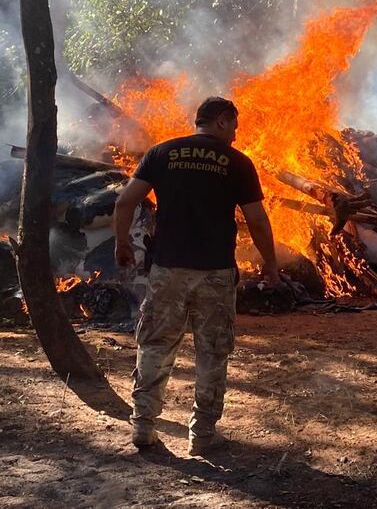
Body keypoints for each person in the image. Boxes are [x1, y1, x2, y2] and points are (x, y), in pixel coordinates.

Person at [113, 96, 279, 456]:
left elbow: (124, 202)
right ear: (222, 120)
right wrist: (270, 261)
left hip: (167, 270)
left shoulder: (161, 153)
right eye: (234, 126)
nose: (235, 135)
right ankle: (202, 435)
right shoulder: (238, 163)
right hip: (215, 273)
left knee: (155, 344)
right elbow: (256, 219)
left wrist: (122, 243)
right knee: (212, 352)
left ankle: (143, 426)